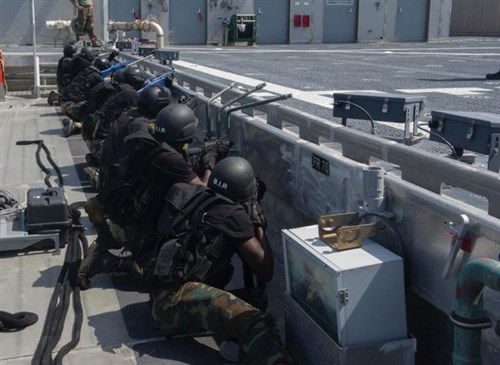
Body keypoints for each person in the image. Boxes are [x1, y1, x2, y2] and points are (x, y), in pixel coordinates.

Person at [78, 103, 229, 288]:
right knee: (168, 273)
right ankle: (106, 261)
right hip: (132, 228)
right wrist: (209, 161)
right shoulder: (168, 158)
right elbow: (204, 191)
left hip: (122, 215)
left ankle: (111, 242)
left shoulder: (149, 138)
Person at [59, 56, 110, 137]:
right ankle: (76, 125)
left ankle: (72, 121)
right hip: (72, 106)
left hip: (64, 103)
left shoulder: (87, 71)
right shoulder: (97, 77)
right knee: (100, 110)